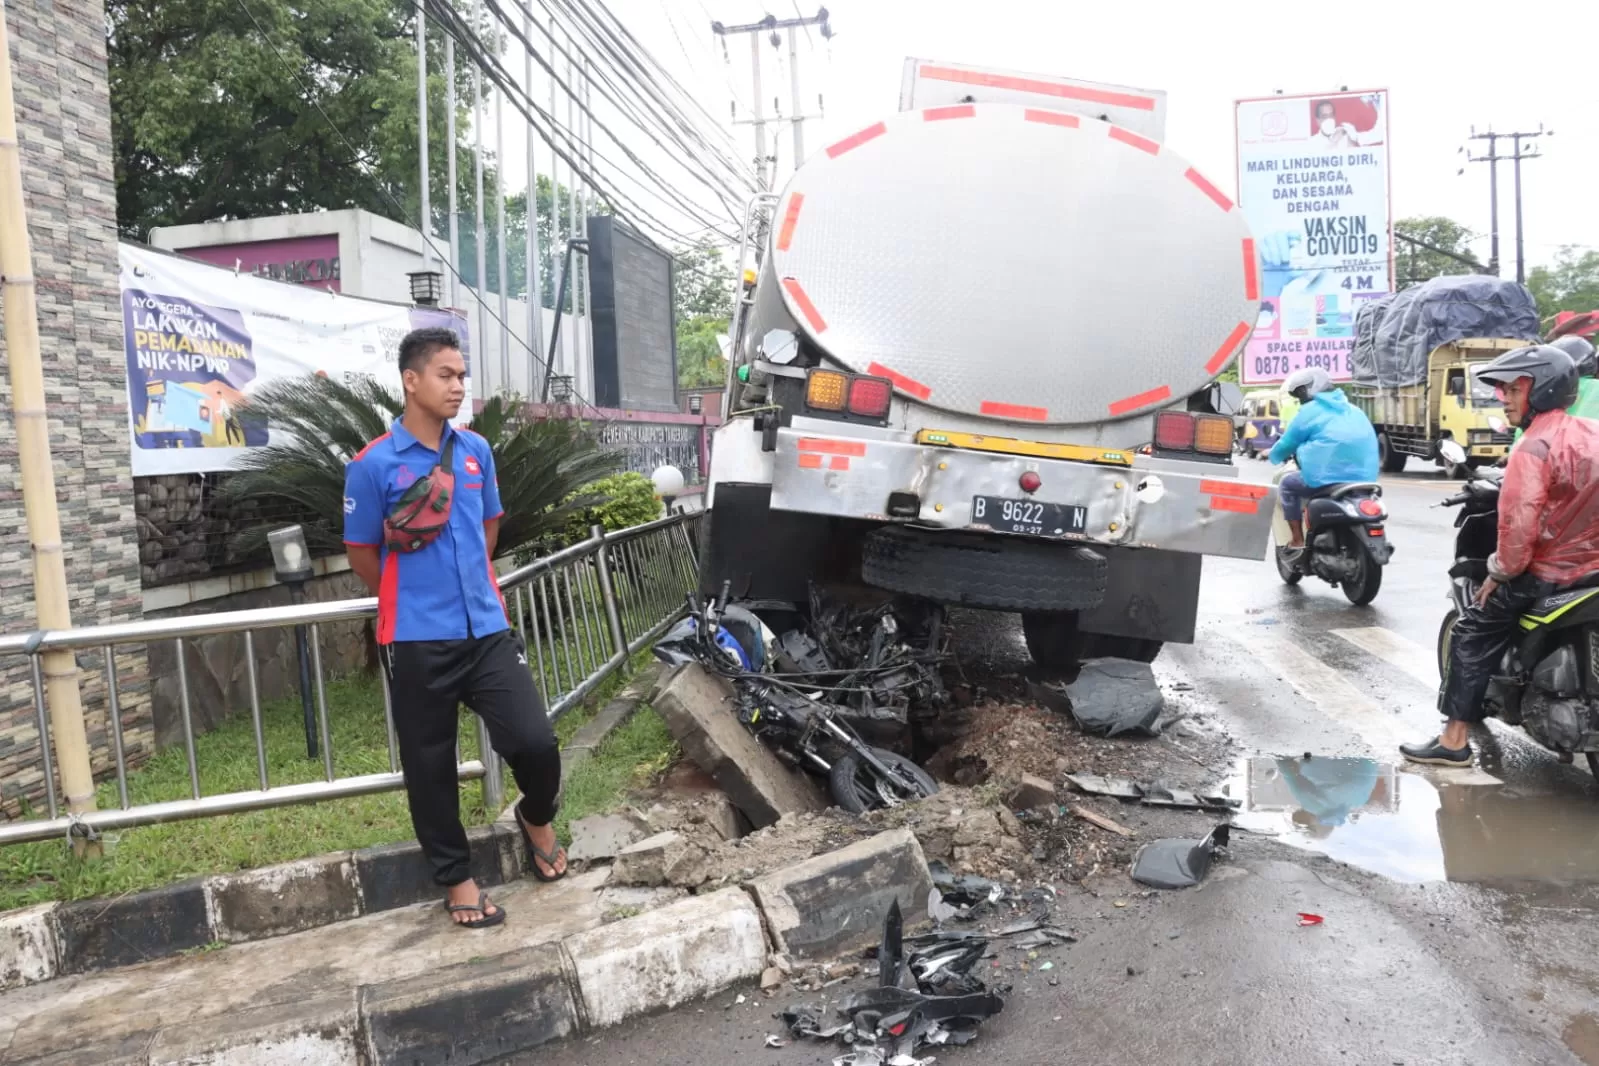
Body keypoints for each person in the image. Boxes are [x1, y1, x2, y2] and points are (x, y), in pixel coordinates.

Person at [343, 327, 565, 927]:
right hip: (415, 637)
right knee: (430, 764)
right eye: (447, 374)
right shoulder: (371, 466)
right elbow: (363, 554)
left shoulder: (476, 452)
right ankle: (457, 879)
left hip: (487, 628)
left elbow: (488, 529)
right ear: (411, 380)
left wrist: (466, 585)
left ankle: (536, 816)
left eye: (462, 375)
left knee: (535, 742)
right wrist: (414, 596)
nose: (459, 385)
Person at [1401, 344, 1599, 767]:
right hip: (1591, 572)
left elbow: (1517, 533)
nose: (1501, 397)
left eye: (1512, 389)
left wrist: (1498, 573)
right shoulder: (1592, 434)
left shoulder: (1534, 447)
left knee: (1472, 631)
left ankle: (1453, 742)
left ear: (1540, 389)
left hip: (1546, 575)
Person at [1268, 367, 1381, 562]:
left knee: (1287, 485)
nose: (1301, 398)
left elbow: (1287, 443)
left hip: (1325, 480)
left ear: (1311, 388)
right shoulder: (1354, 410)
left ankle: (1296, 540)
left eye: (1301, 393)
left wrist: (1273, 455)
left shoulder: (1309, 412)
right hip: (1364, 479)